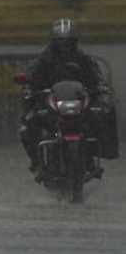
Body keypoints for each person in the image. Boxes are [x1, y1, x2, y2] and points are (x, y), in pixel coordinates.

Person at [19, 18, 107, 175]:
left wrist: (100, 88)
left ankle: (90, 159)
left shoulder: (82, 58)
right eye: (60, 42)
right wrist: (29, 87)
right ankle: (37, 162)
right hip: (51, 103)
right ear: (54, 42)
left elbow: (95, 76)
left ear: (74, 41)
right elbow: (32, 77)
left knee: (99, 118)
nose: (64, 46)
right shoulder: (44, 59)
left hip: (77, 104)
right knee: (27, 125)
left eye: (68, 42)